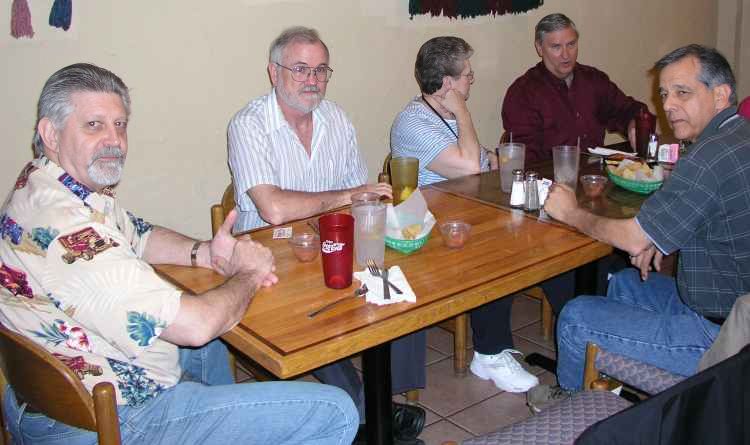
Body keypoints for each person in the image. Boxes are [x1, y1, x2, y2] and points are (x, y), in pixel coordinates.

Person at [0, 63, 358, 444]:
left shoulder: (50, 185)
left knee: (215, 337)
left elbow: (139, 234)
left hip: (75, 381)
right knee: (335, 411)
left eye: (119, 125)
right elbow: (197, 325)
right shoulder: (68, 232)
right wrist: (249, 274)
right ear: (50, 133)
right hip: (104, 419)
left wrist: (203, 253)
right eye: (94, 125)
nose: (114, 140)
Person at [227, 26, 426, 441]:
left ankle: (384, 399)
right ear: (273, 72)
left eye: (321, 70)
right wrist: (348, 197)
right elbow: (274, 208)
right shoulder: (248, 124)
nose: (312, 80)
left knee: (400, 286)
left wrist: (373, 221)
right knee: (320, 312)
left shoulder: (337, 119)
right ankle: (368, 415)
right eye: (300, 69)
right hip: (270, 255)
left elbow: (362, 198)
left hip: (335, 240)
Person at [530, 44, 750, 410]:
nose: (669, 105)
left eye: (683, 92)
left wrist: (571, 212)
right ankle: (609, 390)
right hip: (727, 302)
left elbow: (632, 238)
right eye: (664, 94)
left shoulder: (708, 157)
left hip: (726, 337)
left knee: (575, 316)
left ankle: (567, 407)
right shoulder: (735, 138)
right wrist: (655, 237)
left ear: (721, 94)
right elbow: (712, 214)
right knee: (627, 284)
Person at [390, 36, 543, 393]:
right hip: (425, 232)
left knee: (541, 231)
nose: (472, 81)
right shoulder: (413, 122)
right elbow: (469, 169)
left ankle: (588, 335)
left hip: (462, 215)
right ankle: (489, 355)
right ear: (448, 84)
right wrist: (463, 112)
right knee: (497, 248)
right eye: (467, 76)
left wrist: (491, 155)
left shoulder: (440, 116)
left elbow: (479, 158)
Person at [501, 13, 649, 163]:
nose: (566, 55)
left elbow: (628, 109)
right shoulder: (523, 92)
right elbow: (525, 158)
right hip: (551, 179)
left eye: (571, 44)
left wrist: (633, 124)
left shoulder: (594, 80)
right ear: (539, 48)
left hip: (595, 177)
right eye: (556, 47)